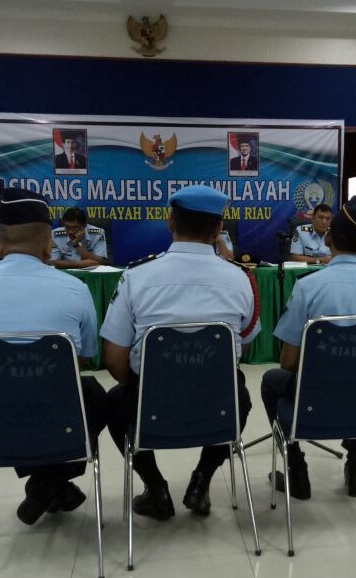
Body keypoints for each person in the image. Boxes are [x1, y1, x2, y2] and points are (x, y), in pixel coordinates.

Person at [0, 188, 108, 525]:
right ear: (48, 243)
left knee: (26, 402)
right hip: (59, 421)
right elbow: (79, 362)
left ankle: (43, 487)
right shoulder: (76, 290)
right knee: (92, 394)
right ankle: (50, 485)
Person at [100, 184, 261, 520]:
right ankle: (202, 480)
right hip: (217, 405)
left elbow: (114, 361)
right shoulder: (241, 279)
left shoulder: (136, 277)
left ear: (170, 221)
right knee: (239, 395)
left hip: (150, 406)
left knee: (115, 401)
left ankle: (156, 488)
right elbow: (242, 348)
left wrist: (146, 385)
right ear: (219, 229)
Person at [262, 195, 356, 499]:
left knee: (271, 381)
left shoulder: (307, 287)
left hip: (313, 400)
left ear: (328, 238)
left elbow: (288, 363)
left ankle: (296, 469)